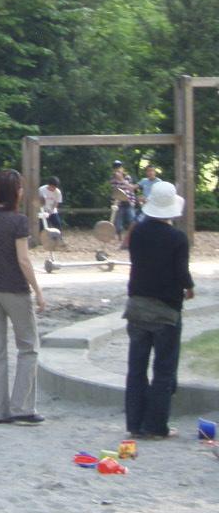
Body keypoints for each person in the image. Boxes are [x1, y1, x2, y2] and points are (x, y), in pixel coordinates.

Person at [0, 168, 47, 425]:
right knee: (28, 347)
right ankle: (22, 407)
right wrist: (38, 290)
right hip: (15, 290)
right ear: (17, 192)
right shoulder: (19, 221)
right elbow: (23, 260)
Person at [124, 179, 194, 439]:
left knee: (136, 367)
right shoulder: (178, 238)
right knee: (164, 369)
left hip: (137, 304)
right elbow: (180, 272)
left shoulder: (137, 232)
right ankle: (155, 426)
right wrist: (189, 287)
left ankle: (134, 423)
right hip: (166, 308)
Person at [110, 161, 138, 239]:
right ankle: (120, 237)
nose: (117, 169)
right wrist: (113, 202)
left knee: (132, 220)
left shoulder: (128, 177)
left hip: (128, 202)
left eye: (119, 167)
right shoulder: (112, 179)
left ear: (122, 168)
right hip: (119, 203)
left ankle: (134, 236)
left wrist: (133, 201)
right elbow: (115, 191)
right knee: (118, 224)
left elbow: (130, 189)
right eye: (116, 168)